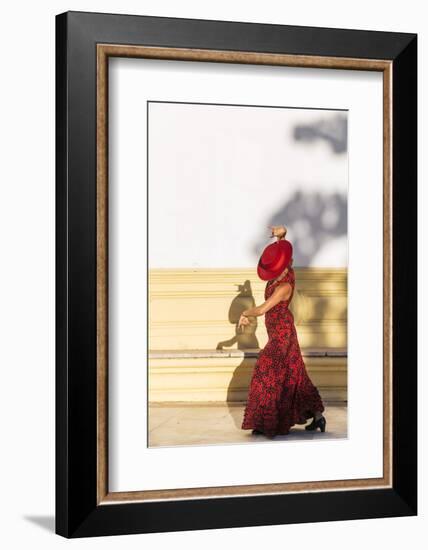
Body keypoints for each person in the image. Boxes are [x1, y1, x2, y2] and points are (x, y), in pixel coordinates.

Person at [238, 225, 326, 437]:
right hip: (278, 332)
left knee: (266, 368)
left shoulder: (283, 286)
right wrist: (281, 236)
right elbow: (281, 252)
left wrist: (245, 312)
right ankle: (318, 417)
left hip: (282, 334)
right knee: (295, 374)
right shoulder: (278, 276)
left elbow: (262, 309)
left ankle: (267, 421)